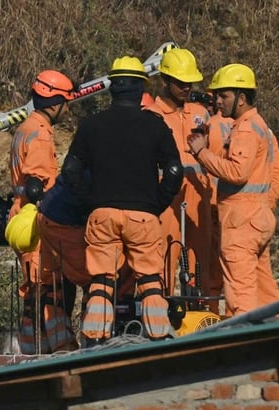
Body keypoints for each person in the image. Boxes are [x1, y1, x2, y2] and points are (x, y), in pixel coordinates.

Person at [62, 56, 183, 346]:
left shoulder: (92, 125)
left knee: (102, 280)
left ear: (112, 88)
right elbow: (174, 169)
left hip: (102, 215)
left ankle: (94, 339)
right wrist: (158, 202)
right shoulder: (155, 125)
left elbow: (70, 171)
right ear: (141, 88)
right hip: (144, 217)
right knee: (150, 279)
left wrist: (90, 202)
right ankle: (159, 336)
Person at [187, 64, 279, 315]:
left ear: (241, 98)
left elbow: (237, 172)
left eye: (224, 95)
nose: (217, 101)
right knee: (265, 292)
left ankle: (247, 348)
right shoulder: (258, 125)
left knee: (241, 297)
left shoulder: (246, 128)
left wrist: (201, 152)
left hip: (242, 222)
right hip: (257, 217)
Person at [8, 70, 75, 354]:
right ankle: (62, 350)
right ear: (55, 102)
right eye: (66, 103)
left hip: (22, 216)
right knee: (49, 289)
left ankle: (32, 350)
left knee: (34, 292)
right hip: (35, 220)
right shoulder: (40, 135)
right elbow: (36, 185)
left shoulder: (25, 127)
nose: (68, 109)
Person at [145, 48, 214, 300]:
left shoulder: (201, 113)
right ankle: (162, 315)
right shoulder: (152, 116)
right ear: (165, 81)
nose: (186, 87)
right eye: (180, 82)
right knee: (164, 258)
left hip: (198, 194)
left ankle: (202, 317)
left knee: (200, 261)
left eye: (189, 82)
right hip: (166, 197)